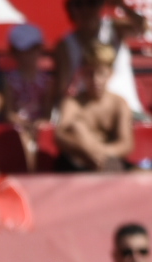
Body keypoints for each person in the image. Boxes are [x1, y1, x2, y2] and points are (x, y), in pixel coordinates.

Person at [56, 0, 148, 119]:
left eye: (92, 4)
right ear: (71, 9)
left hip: (127, 111)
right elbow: (63, 87)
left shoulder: (115, 28)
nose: (86, 10)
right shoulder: (65, 45)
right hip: (87, 113)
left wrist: (120, 5)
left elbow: (143, 27)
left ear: (101, 5)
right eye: (79, 4)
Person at [55, 43, 135, 172]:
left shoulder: (119, 104)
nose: (95, 79)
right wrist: (87, 150)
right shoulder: (72, 103)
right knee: (77, 126)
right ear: (82, 73)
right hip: (76, 165)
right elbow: (60, 136)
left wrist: (98, 152)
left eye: (101, 73)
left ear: (110, 74)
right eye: (90, 73)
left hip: (107, 163)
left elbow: (126, 144)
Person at [1, 23, 55, 172]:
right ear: (14, 53)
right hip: (18, 126)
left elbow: (47, 112)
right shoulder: (10, 80)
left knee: (44, 134)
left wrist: (38, 123)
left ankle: (39, 172)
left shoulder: (47, 82)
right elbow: (9, 112)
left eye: (33, 49)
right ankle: (29, 173)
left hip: (39, 125)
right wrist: (23, 123)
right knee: (21, 137)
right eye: (23, 51)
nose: (28, 55)